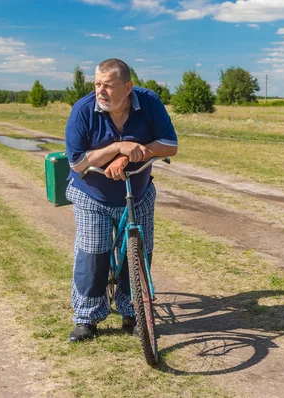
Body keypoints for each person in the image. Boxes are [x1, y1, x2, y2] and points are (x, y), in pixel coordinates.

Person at [64, 58, 178, 343]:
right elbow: (77, 162)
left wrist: (128, 156)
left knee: (138, 251)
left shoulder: (149, 103)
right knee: (93, 253)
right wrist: (116, 147)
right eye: (97, 84)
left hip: (136, 192)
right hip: (92, 193)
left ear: (128, 87)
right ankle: (87, 318)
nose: (101, 91)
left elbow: (170, 145)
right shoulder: (83, 111)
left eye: (109, 85)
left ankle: (134, 311)